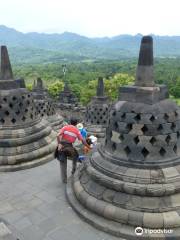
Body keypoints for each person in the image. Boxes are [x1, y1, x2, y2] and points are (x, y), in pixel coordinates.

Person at [57, 117, 90, 183]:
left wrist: (59, 144)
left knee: (63, 163)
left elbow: (58, 135)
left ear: (70, 122)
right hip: (69, 147)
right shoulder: (77, 130)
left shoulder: (65, 127)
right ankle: (73, 171)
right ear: (76, 123)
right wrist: (88, 146)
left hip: (62, 146)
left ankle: (64, 180)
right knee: (76, 156)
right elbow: (83, 140)